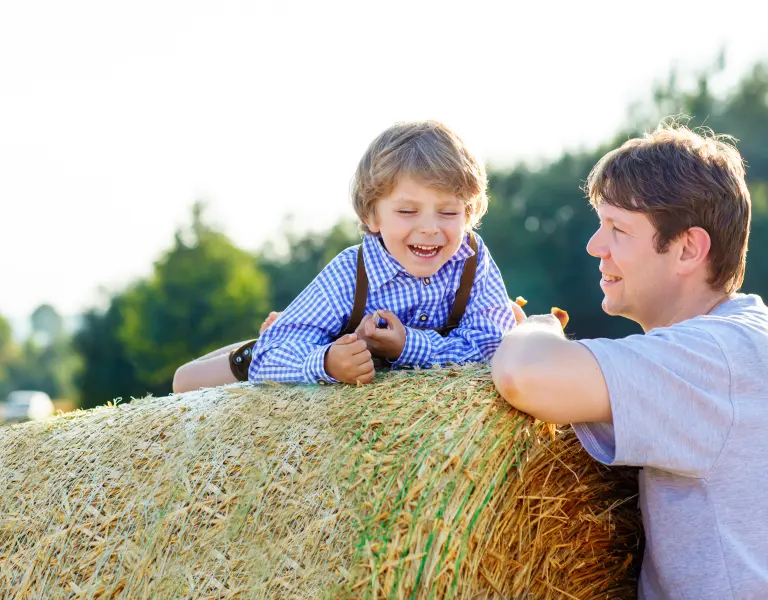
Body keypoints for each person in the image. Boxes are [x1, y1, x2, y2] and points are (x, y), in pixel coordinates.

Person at [490, 123, 768, 599]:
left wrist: (536, 326)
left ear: (688, 248)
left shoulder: (712, 359)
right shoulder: (747, 337)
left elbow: (524, 375)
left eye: (618, 228)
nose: (595, 246)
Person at [173, 120, 515, 392]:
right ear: (371, 216)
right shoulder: (350, 273)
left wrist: (407, 345)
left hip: (365, 345)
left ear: (469, 214)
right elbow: (271, 358)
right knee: (186, 382)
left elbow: (492, 349)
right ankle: (263, 335)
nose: (429, 228)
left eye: (448, 213)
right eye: (408, 211)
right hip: (315, 343)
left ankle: (288, 323)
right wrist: (327, 363)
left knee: (512, 323)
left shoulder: (472, 261)